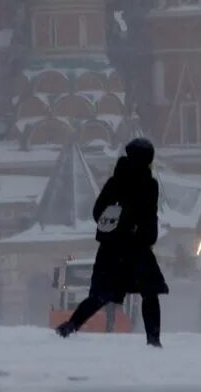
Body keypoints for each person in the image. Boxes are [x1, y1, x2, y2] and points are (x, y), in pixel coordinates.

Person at [55, 138, 169, 348]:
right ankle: (153, 340)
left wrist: (117, 226)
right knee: (149, 293)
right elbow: (149, 217)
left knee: (101, 295)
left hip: (112, 248)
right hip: (137, 248)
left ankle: (71, 325)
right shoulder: (149, 184)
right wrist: (143, 235)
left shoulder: (115, 181)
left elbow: (97, 211)